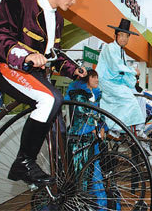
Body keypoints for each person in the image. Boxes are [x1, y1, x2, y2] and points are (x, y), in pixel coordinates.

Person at [0, 0, 88, 186]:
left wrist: (75, 71)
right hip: (11, 69)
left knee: (59, 132)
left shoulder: (58, 20)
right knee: (50, 99)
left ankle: (63, 185)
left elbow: (56, 55)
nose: (73, 2)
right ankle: (24, 162)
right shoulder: (16, 3)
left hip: (39, 78)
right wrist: (26, 56)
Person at [65, 69, 107, 209]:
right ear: (86, 78)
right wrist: (96, 125)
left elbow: (99, 114)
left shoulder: (95, 95)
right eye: (94, 77)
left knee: (94, 175)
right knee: (82, 175)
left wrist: (102, 126)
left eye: (97, 77)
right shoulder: (78, 94)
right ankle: (81, 205)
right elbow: (82, 111)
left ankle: (97, 205)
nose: (96, 80)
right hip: (80, 139)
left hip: (92, 139)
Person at [96, 18, 145, 131]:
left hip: (116, 84)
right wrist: (133, 70)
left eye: (126, 36)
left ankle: (120, 128)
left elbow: (123, 73)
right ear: (116, 36)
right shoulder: (109, 48)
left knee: (133, 97)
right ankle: (114, 128)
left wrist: (132, 80)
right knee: (130, 100)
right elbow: (116, 66)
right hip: (106, 83)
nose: (124, 38)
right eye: (121, 35)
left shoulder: (123, 52)